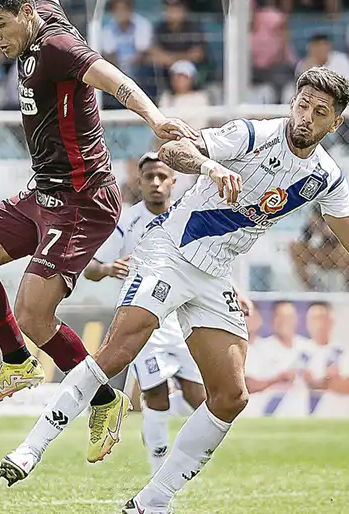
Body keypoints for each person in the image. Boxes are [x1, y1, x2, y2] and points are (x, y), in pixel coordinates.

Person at [0, 66, 349, 512]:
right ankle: (31, 447)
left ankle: (151, 502)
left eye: (320, 112)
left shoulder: (326, 177)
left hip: (215, 273)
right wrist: (209, 165)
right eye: (303, 105)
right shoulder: (254, 135)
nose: (306, 117)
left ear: (335, 123)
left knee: (232, 396)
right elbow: (173, 150)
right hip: (171, 250)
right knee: (119, 351)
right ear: (293, 103)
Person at [0, 0, 195, 418]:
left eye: (1, 24)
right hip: (45, 193)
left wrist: (155, 118)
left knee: (33, 314)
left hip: (83, 201)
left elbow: (112, 78)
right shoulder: (41, 8)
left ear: (26, 13)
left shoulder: (58, 46)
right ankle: (17, 362)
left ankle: (103, 401)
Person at [84, 152, 253, 475]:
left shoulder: (186, 215)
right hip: (147, 323)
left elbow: (208, 261)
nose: (156, 183)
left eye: (162, 176)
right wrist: (106, 269)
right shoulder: (127, 221)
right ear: (139, 182)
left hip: (184, 319)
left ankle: (164, 441)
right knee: (157, 395)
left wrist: (235, 291)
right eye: (149, 177)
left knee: (199, 397)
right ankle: (158, 469)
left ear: (174, 182)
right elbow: (90, 268)